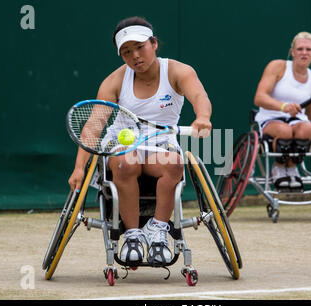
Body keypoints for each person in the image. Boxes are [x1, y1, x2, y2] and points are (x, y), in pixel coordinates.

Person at [68, 16, 212, 266]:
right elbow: (94, 126)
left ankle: (157, 232)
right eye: (126, 51)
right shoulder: (114, 81)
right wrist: (79, 167)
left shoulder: (179, 71)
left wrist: (203, 117)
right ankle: (132, 236)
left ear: (154, 43)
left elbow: (199, 94)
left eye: (140, 47)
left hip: (160, 145)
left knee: (175, 165)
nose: (135, 55)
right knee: (126, 164)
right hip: (124, 146)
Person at [253, 31, 311, 189]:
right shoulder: (277, 67)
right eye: (300, 49)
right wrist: (283, 107)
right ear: (292, 52)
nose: (304, 53)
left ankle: (291, 169)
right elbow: (259, 97)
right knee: (284, 131)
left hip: (297, 121)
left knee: (306, 129)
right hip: (270, 118)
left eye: (308, 50)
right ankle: (278, 168)